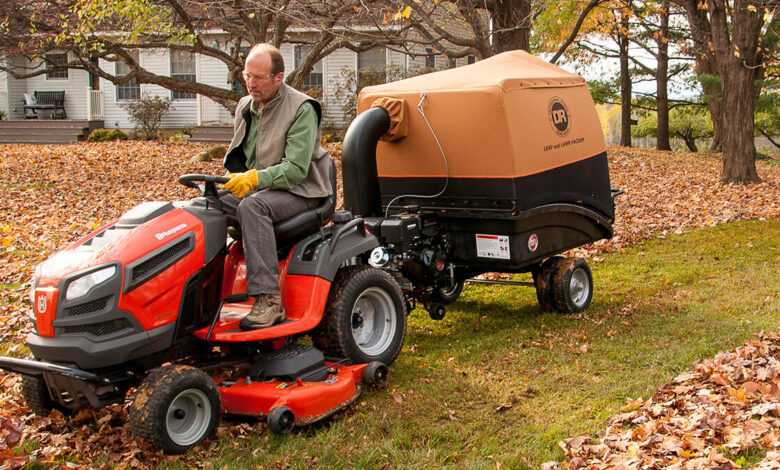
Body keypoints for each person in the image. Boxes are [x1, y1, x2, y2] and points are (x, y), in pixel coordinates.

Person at [221, 43, 332, 331]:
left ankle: (269, 302)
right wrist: (241, 180)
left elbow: (295, 170)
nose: (251, 83)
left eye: (259, 77)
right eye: (247, 75)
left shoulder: (302, 108)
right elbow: (244, 160)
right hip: (264, 189)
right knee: (207, 205)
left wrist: (255, 179)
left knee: (253, 207)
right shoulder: (246, 106)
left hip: (303, 192)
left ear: (278, 77)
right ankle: (202, 292)